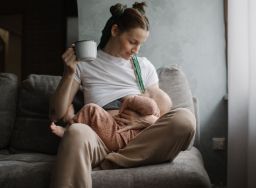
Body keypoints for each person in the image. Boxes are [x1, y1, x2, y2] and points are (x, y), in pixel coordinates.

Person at [49, 2, 196, 188]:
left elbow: (158, 109)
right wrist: (69, 72)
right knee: (76, 132)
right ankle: (115, 158)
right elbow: (57, 112)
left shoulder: (143, 66)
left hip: (138, 139)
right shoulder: (85, 63)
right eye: (133, 42)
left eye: (140, 44)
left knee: (185, 119)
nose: (136, 50)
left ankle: (110, 161)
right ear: (115, 30)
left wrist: (146, 122)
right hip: (100, 136)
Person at [50, 94, 160, 151]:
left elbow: (151, 107)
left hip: (117, 134)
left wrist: (131, 99)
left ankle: (67, 129)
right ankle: (72, 120)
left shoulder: (148, 106)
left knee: (91, 109)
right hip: (126, 141)